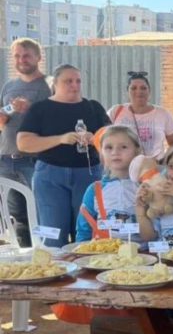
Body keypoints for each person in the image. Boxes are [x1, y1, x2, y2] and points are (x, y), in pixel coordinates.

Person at [77, 126, 149, 334]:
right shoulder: (94, 190)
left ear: (137, 153)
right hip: (102, 268)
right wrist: (81, 257)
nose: (116, 153)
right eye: (109, 148)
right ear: (102, 154)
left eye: (123, 147)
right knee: (105, 323)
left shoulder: (145, 188)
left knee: (139, 322)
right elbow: (84, 229)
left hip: (139, 267)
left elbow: (155, 227)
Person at [17, 64, 106, 246]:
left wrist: (95, 137)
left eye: (78, 81)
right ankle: (54, 269)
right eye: (68, 81)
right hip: (50, 176)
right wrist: (60, 139)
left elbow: (113, 136)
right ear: (55, 84)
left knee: (87, 231)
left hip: (88, 174)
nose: (74, 85)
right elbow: (23, 142)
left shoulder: (93, 107)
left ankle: (85, 271)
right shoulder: (41, 109)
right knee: (52, 233)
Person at [0, 38, 50, 246]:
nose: (22, 60)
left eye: (27, 55)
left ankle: (47, 258)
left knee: (41, 213)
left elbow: (59, 119)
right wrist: (9, 111)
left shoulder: (50, 84)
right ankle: (25, 262)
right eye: (17, 56)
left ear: (38, 57)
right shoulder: (9, 85)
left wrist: (33, 109)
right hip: (6, 159)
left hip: (35, 160)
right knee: (16, 216)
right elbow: (2, 120)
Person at [106, 71, 173, 160]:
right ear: (127, 92)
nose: (139, 91)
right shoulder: (115, 111)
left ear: (149, 91)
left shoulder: (163, 114)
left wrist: (165, 161)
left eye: (143, 88)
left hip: (153, 169)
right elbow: (103, 139)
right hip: (123, 170)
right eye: (133, 88)